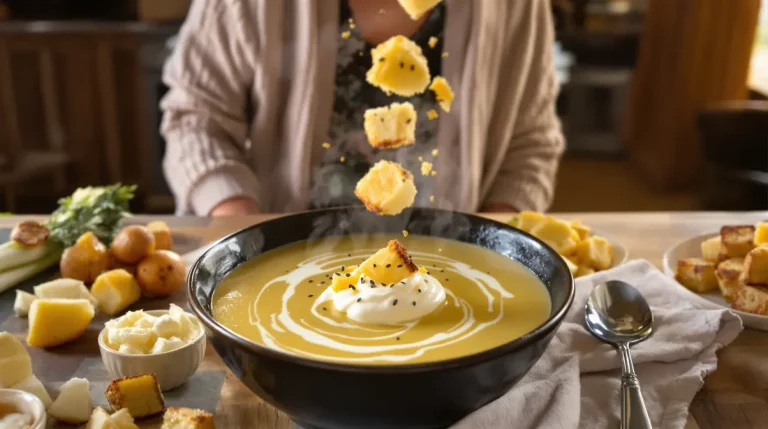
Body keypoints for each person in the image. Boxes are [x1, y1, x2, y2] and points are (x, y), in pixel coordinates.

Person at [161, 0, 564, 216]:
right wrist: (246, 230)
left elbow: (530, 142)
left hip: (450, 264)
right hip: (279, 253)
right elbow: (196, 119)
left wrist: (493, 245)